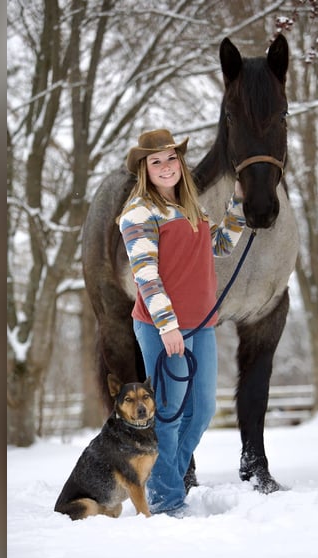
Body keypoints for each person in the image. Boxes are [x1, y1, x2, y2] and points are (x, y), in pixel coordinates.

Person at [118, 129, 246, 516]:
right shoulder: (138, 212)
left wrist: (238, 204)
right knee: (170, 415)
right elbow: (145, 274)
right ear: (145, 169)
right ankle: (168, 501)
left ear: (180, 162)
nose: (165, 166)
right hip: (163, 327)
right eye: (155, 161)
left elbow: (220, 246)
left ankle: (166, 474)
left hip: (201, 323)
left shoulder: (191, 209)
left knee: (202, 409)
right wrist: (167, 325)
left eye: (170, 158)